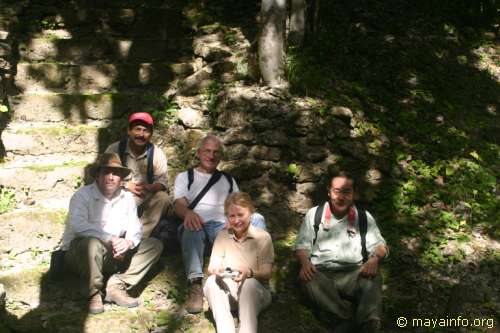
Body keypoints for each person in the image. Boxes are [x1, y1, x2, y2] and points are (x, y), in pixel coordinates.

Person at [173, 134, 266, 314]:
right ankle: (195, 285)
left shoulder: (228, 180)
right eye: (207, 151)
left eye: (216, 152)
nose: (211, 155)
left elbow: (241, 204)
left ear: (220, 157)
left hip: (223, 227)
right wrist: (188, 213)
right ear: (199, 153)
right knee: (190, 227)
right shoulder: (186, 177)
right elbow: (178, 204)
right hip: (197, 224)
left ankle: (257, 274)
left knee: (258, 219)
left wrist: (233, 220)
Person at [61, 153, 163, 314]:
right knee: (92, 243)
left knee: (154, 245)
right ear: (97, 176)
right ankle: (93, 292)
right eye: (106, 173)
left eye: (115, 173)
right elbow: (78, 226)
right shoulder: (82, 196)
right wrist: (110, 238)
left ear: (121, 178)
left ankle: (115, 285)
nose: (111, 177)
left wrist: (127, 243)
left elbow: (135, 227)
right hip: (80, 254)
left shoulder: (126, 198)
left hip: (111, 254)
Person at [294, 171, 388, 333]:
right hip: (321, 273)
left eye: (346, 192)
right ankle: (345, 319)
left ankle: (368, 324)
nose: (341, 197)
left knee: (373, 277)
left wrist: (374, 259)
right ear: (329, 191)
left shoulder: (364, 217)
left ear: (354, 194)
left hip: (353, 273)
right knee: (307, 278)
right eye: (337, 191)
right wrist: (304, 262)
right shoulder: (315, 214)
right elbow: (302, 246)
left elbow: (381, 246)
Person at [204, 192, 274, 333]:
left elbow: (267, 272)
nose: (236, 220)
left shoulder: (262, 237)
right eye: (232, 216)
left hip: (255, 292)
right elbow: (212, 266)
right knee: (211, 282)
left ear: (251, 213)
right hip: (229, 291)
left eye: (240, 215)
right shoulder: (222, 236)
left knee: (249, 283)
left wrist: (249, 272)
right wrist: (217, 269)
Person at [105, 112, 169, 238]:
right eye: (137, 129)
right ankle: (113, 236)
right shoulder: (115, 149)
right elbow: (103, 176)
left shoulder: (157, 153)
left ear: (151, 134)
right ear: (129, 131)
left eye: (145, 130)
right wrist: (125, 185)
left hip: (145, 197)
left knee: (163, 198)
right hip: (120, 196)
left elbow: (163, 183)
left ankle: (138, 236)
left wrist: (150, 187)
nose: (141, 134)